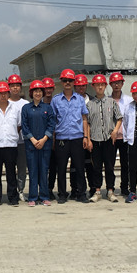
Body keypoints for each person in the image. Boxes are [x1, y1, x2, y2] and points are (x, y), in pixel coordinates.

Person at [50, 69, 90, 204]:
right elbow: (53, 121)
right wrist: (54, 140)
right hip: (61, 139)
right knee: (61, 169)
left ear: (74, 82)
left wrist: (85, 137)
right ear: (61, 82)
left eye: (70, 80)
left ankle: (81, 193)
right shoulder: (56, 100)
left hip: (77, 138)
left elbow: (84, 119)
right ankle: (62, 194)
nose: (67, 83)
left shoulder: (79, 99)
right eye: (65, 80)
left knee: (79, 168)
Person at [86, 75, 122, 203]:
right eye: (97, 85)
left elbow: (119, 118)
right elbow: (87, 123)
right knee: (96, 167)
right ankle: (97, 191)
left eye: (102, 84)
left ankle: (110, 191)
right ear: (93, 86)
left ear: (105, 86)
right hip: (95, 140)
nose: (100, 87)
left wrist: (115, 131)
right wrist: (88, 139)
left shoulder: (111, 102)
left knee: (109, 167)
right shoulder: (89, 104)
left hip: (108, 139)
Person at [21, 80, 55, 207]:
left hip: (45, 145)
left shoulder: (47, 108)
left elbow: (51, 125)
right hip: (31, 145)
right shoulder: (26, 108)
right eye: (35, 91)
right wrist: (33, 140)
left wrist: (44, 139)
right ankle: (33, 197)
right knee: (33, 171)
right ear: (31, 93)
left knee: (44, 170)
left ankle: (44, 196)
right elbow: (24, 126)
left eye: (40, 91)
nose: (38, 93)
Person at [108, 72, 133, 197]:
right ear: (110, 84)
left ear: (122, 84)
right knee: (110, 164)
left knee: (125, 164)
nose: (116, 85)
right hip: (110, 138)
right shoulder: (107, 100)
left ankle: (124, 187)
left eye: (118, 83)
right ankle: (110, 187)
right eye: (114, 83)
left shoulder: (129, 100)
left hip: (124, 137)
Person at [8, 74, 29, 202]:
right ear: (9, 87)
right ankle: (11, 191)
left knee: (21, 168)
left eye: (17, 85)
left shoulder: (25, 104)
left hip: (22, 141)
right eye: (12, 85)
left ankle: (20, 190)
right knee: (10, 168)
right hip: (9, 142)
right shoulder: (4, 102)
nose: (15, 88)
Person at [74, 74, 94, 197]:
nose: (81, 88)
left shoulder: (92, 100)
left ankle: (92, 187)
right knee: (76, 166)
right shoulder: (72, 100)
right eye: (78, 86)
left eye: (83, 85)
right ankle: (75, 189)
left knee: (90, 164)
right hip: (76, 137)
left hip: (90, 137)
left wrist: (89, 138)